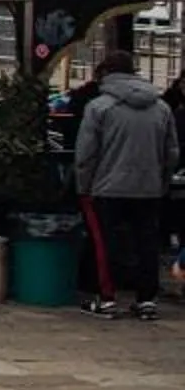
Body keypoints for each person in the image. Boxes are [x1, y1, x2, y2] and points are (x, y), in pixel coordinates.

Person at [74, 47, 177, 320]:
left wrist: (83, 186)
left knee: (103, 243)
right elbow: (171, 153)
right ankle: (146, 299)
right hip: (149, 188)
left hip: (107, 187)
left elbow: (86, 153)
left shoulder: (98, 107)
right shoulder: (162, 108)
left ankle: (106, 299)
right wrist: (161, 181)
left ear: (105, 73)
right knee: (147, 243)